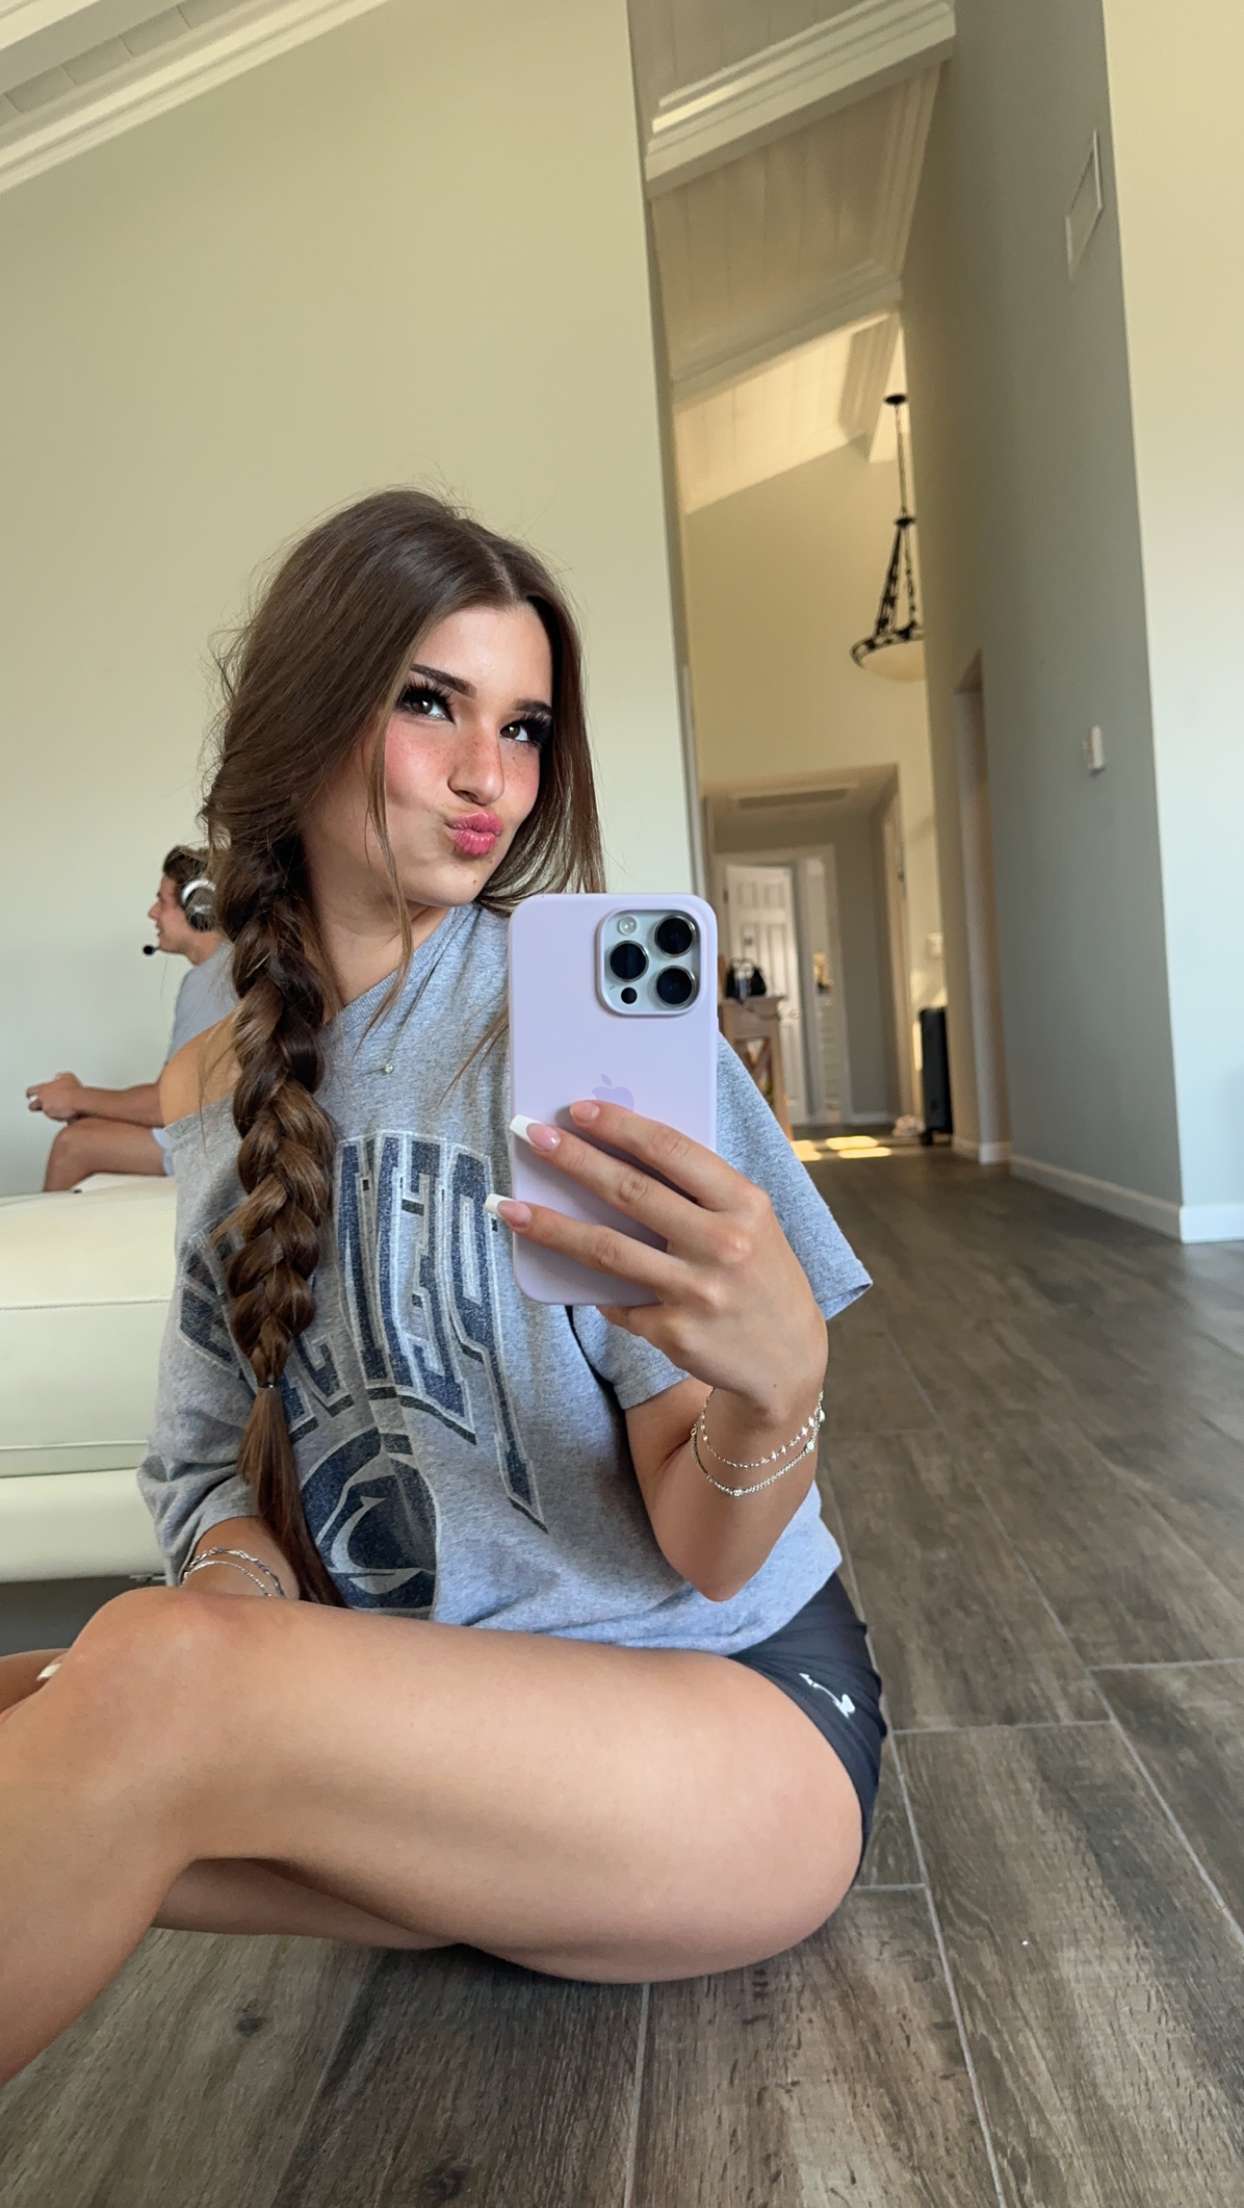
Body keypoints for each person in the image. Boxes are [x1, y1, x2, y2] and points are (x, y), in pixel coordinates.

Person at [0, 490, 884, 2082]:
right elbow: (205, 1464)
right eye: (432, 706)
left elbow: (709, 1554)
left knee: (143, 1686)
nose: (492, 777)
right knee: (80, 1698)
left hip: (728, 1720)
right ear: (307, 718)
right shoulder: (217, 1059)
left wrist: (779, 1392)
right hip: (434, 1727)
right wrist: (239, 1594)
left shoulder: (576, 1030)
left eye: (525, 728)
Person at [24, 847, 235, 1190]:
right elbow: (169, 1097)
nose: (153, 913)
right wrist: (84, 1102)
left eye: (162, 902)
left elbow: (167, 1106)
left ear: (200, 908)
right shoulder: (224, 968)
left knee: (73, 1146)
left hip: (218, 1147)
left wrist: (76, 1098)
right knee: (83, 1132)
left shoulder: (212, 980)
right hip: (213, 1133)